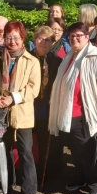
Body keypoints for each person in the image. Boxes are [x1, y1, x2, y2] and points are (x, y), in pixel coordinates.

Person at [49, 22, 97, 194]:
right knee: (76, 152)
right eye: (71, 36)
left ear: (88, 37)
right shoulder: (69, 57)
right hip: (68, 116)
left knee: (90, 155)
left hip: (87, 117)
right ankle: (80, 179)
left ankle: (96, 189)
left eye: (79, 35)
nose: (75, 39)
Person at [0, 21, 42, 194]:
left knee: (25, 152)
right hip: (0, 113)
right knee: (4, 150)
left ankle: (30, 190)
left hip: (22, 114)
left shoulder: (32, 61)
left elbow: (33, 89)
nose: (12, 41)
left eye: (16, 37)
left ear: (23, 38)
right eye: (9, 37)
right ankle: (7, 183)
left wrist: (12, 98)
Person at [30, 26, 63, 180]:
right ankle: (28, 171)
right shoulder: (26, 58)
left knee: (45, 142)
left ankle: (44, 171)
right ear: (34, 39)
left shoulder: (57, 61)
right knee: (29, 143)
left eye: (48, 40)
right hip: (29, 107)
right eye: (40, 38)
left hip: (46, 108)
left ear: (52, 43)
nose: (43, 42)